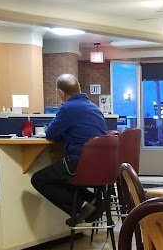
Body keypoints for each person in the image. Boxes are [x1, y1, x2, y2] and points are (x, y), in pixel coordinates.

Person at [31, 74, 107, 226]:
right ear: (79, 88)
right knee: (61, 178)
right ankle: (94, 201)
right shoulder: (94, 108)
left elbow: (51, 134)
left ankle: (80, 208)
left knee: (39, 179)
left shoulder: (67, 108)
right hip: (101, 165)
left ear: (61, 92)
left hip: (79, 164)